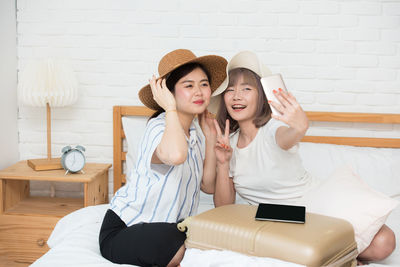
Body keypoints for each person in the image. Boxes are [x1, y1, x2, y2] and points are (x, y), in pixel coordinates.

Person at [211, 51, 396, 264]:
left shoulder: (273, 129)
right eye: (230, 90)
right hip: (274, 220)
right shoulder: (227, 142)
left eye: (246, 88)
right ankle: (331, 255)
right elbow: (223, 209)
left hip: (313, 206)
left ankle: (330, 253)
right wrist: (223, 163)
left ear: (261, 95)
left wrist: (300, 127)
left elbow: (288, 136)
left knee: (384, 241)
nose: (236, 96)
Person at [99, 49, 227, 267]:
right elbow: (176, 155)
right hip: (124, 229)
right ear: (169, 93)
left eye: (204, 84)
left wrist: (210, 137)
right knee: (176, 243)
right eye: (188, 85)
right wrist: (169, 108)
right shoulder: (158, 127)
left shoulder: (194, 134)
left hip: (168, 229)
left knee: (198, 236)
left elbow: (207, 185)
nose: (199, 91)